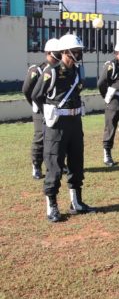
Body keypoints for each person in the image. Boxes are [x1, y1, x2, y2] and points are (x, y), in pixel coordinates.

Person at [32, 33, 92, 222]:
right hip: (57, 125)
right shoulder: (52, 72)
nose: (78, 54)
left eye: (79, 51)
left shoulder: (77, 71)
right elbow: (36, 95)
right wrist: (47, 111)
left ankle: (76, 202)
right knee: (55, 165)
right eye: (75, 51)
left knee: (76, 163)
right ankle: (52, 206)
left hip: (75, 122)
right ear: (65, 52)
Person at [22, 37, 60, 180]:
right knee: (40, 137)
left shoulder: (59, 69)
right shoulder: (37, 70)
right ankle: (36, 166)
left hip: (55, 109)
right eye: (57, 52)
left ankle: (56, 164)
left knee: (56, 137)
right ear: (48, 52)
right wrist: (36, 106)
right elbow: (27, 90)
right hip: (40, 109)